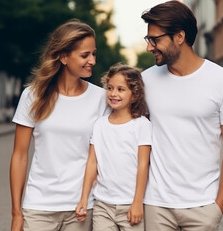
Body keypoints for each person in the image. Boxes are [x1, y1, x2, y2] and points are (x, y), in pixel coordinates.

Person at [140, 0, 223, 231]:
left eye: (155, 39)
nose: (150, 47)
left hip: (203, 206)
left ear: (179, 37)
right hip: (156, 205)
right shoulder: (145, 81)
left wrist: (220, 205)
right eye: (148, 40)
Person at [9, 19, 108, 231]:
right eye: (84, 55)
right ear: (63, 57)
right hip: (39, 206)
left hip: (82, 208)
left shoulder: (101, 98)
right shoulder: (33, 95)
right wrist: (17, 213)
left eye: (93, 53)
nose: (92, 60)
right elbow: (19, 156)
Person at [75, 63, 152, 231]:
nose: (113, 93)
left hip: (130, 205)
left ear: (134, 95)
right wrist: (83, 198)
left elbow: (143, 165)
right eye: (110, 88)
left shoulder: (142, 125)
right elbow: (92, 163)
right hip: (103, 205)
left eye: (120, 89)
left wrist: (138, 202)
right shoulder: (100, 124)